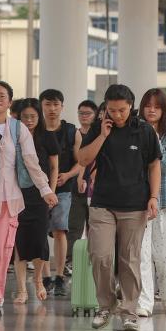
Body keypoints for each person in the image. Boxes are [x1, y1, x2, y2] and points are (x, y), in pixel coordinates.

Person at [78, 84, 162, 331]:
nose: (117, 115)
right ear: (105, 108)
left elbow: (154, 166)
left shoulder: (144, 130)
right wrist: (102, 136)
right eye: (112, 110)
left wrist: (154, 197)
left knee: (129, 260)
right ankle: (105, 306)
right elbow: (83, 159)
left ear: (131, 107)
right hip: (103, 203)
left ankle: (129, 311)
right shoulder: (98, 128)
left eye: (122, 110)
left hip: (135, 205)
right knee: (100, 255)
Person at [0, 81, 57, 316]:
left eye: (2, 95)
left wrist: (46, 189)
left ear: (10, 102)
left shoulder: (18, 129)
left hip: (7, 200)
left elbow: (32, 163)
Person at [136, 89, 166, 317]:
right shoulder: (133, 133)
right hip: (137, 204)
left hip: (165, 203)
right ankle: (145, 301)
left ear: (164, 110)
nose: (151, 110)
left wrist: (153, 138)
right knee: (142, 256)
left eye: (157, 106)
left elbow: (164, 166)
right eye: (148, 105)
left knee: (164, 257)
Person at [13, 98, 60, 304]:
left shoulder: (47, 136)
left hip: (41, 194)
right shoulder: (12, 136)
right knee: (20, 242)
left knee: (40, 239)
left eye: (33, 116)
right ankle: (22, 289)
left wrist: (50, 191)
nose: (29, 120)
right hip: (17, 193)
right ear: (19, 117)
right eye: (25, 117)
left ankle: (39, 280)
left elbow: (54, 167)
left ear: (39, 116)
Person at [39, 88, 82, 296]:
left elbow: (80, 162)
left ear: (62, 107)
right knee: (40, 230)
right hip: (38, 190)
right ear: (42, 106)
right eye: (48, 104)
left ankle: (59, 276)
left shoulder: (72, 131)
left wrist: (68, 175)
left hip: (63, 189)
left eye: (56, 104)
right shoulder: (35, 130)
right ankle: (45, 275)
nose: (52, 109)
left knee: (59, 229)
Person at [67, 99, 98, 275]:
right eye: (81, 113)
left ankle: (92, 260)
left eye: (88, 113)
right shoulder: (75, 135)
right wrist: (77, 177)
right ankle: (71, 260)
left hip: (95, 187)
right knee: (75, 225)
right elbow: (78, 160)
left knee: (94, 226)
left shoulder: (99, 135)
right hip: (76, 188)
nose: (84, 116)